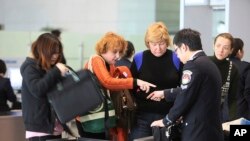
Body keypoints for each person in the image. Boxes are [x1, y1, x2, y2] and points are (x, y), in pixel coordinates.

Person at [75, 32, 156, 141]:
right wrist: (135, 82)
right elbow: (107, 82)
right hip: (90, 118)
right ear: (104, 49)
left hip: (99, 117)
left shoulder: (110, 65)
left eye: (120, 52)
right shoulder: (96, 60)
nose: (118, 56)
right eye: (114, 52)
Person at [147, 28, 224, 141]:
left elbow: (185, 97)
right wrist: (165, 93)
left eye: (176, 50)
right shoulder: (207, 63)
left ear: (184, 47)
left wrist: (166, 120)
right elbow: (191, 89)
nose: (177, 55)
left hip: (198, 132)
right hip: (210, 130)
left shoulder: (193, 66)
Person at [128, 21, 183, 140]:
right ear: (148, 43)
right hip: (142, 116)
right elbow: (130, 85)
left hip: (169, 115)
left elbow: (184, 89)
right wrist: (139, 88)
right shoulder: (139, 58)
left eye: (162, 43)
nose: (158, 48)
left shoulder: (176, 58)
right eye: (154, 44)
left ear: (167, 42)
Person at [20, 33, 69, 141]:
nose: (55, 56)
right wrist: (56, 71)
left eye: (57, 53)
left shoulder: (48, 68)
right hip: (39, 131)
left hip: (54, 128)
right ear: (43, 50)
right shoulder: (30, 67)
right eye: (52, 52)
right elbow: (38, 89)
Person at [210, 33, 240, 122]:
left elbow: (233, 98)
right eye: (218, 46)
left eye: (226, 48)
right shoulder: (203, 63)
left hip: (217, 116)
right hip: (197, 115)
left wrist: (232, 120)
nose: (221, 50)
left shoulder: (233, 69)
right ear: (213, 46)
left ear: (231, 50)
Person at [229, 38, 250, 120]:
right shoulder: (246, 67)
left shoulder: (219, 66)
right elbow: (248, 91)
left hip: (221, 115)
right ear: (239, 51)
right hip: (241, 115)